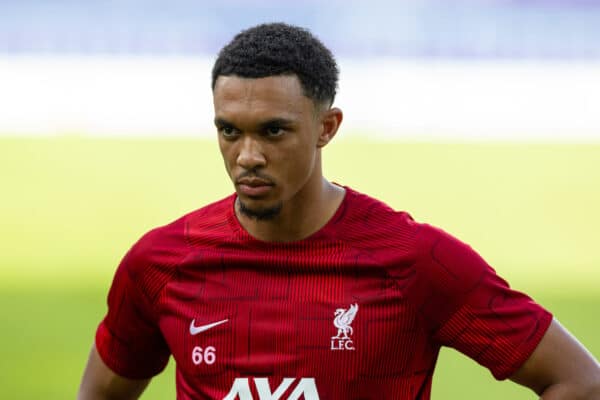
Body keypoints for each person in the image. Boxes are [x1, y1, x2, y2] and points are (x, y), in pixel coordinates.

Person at [78, 22, 600, 400]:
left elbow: (579, 380)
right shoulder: (162, 262)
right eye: (229, 130)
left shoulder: (414, 261)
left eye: (273, 131)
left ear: (327, 127)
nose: (248, 156)